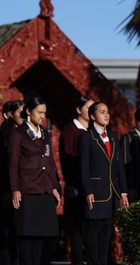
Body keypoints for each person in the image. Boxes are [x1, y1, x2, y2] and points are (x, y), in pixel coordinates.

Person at [8, 95, 61, 265]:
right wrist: (15, 189)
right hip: (28, 188)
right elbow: (13, 164)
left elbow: (50, 161)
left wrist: (54, 186)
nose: (42, 116)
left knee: (42, 235)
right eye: (39, 112)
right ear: (29, 111)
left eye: (44, 113)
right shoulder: (18, 133)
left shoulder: (45, 133)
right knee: (27, 234)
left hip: (44, 188)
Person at [78, 102, 128, 265]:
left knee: (107, 231)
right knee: (93, 230)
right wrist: (88, 191)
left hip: (112, 192)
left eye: (107, 112)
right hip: (95, 192)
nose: (106, 115)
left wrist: (123, 192)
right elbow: (83, 167)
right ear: (92, 116)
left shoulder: (113, 136)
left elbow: (119, 166)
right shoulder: (86, 137)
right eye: (102, 112)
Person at [59, 96, 94, 265]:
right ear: (79, 110)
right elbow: (69, 161)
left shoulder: (93, 130)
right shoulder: (70, 131)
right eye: (89, 108)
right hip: (76, 186)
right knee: (77, 227)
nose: (92, 112)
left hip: (92, 186)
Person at [0, 100, 24, 265]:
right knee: (6, 231)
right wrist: (4, 191)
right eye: (20, 113)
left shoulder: (29, 134)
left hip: (26, 191)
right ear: (9, 114)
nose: (24, 116)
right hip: (7, 192)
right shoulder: (0, 137)